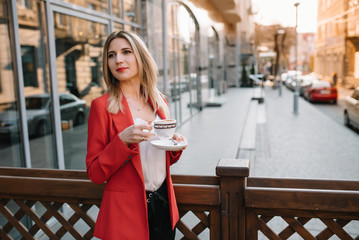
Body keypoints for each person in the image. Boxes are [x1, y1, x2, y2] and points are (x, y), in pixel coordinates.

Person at [86, 30, 187, 240]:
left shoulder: (159, 102)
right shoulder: (101, 107)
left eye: (126, 52)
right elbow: (95, 174)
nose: (118, 60)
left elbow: (155, 160)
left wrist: (175, 146)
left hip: (164, 207)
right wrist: (121, 142)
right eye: (111, 55)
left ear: (140, 56)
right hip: (126, 214)